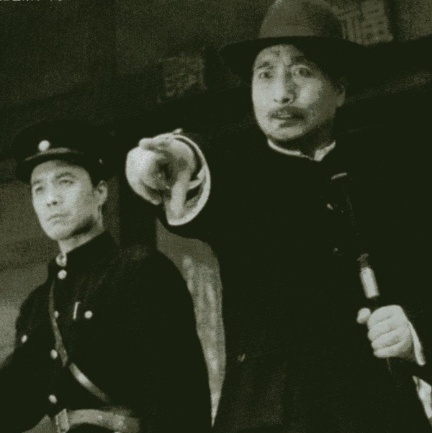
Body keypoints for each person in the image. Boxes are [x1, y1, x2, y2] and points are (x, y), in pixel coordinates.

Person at [125, 0, 432, 432]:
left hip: (379, 413)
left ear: (340, 90)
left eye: (302, 71)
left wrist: (415, 331)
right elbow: (196, 161)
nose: (282, 92)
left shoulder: (391, 173)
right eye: (265, 74)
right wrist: (167, 160)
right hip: (268, 416)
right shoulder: (240, 178)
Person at [1, 120, 211, 433]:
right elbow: (14, 406)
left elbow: (178, 401)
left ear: (100, 192)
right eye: (38, 188)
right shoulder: (37, 305)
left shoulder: (138, 271)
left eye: (65, 182)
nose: (50, 198)